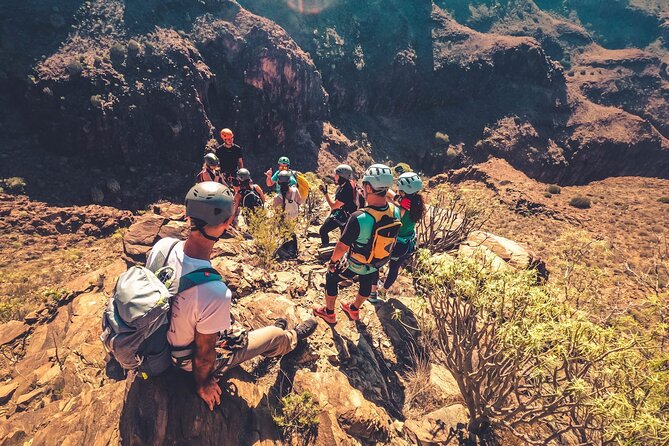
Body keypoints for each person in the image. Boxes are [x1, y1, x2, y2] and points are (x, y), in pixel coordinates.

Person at [145, 181, 317, 411]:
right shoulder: (214, 292)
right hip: (183, 361)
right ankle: (290, 339)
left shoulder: (163, 246)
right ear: (227, 224)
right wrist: (203, 383)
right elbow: (205, 355)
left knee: (224, 321)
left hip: (156, 341)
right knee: (274, 334)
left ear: (188, 216)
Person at [313, 164, 400, 324]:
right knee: (366, 280)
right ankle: (354, 309)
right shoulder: (395, 211)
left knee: (331, 277)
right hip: (377, 261)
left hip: (356, 263)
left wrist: (332, 262)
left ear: (368, 187)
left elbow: (341, 247)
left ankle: (329, 313)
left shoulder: (359, 217)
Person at [369, 172, 425, 302]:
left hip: (392, 244)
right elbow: (391, 196)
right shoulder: (418, 203)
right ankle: (383, 291)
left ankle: (372, 294)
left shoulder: (400, 209)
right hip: (407, 244)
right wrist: (398, 198)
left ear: (403, 191)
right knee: (394, 268)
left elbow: (384, 195)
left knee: (375, 264)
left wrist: (396, 199)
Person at [318, 164, 358, 247]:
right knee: (344, 237)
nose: (334, 176)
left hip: (343, 216)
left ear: (341, 176)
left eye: (336, 175)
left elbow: (333, 205)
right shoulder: (348, 184)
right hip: (348, 215)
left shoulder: (346, 190)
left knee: (323, 231)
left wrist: (325, 193)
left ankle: (325, 250)